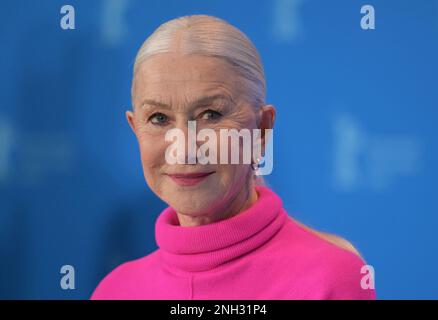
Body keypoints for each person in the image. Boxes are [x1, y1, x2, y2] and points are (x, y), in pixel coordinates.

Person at [91, 14, 376, 300]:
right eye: (159, 118)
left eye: (211, 115)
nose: (185, 147)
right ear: (135, 128)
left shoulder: (329, 278)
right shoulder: (114, 291)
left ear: (261, 129)